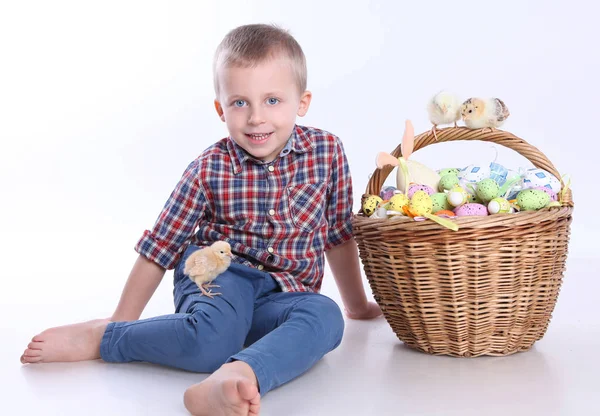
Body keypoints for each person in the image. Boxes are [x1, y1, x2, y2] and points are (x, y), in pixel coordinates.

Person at [20, 23, 382, 416]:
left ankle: (236, 375)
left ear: (302, 101)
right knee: (212, 339)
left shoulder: (326, 152)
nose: (256, 118)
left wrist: (357, 304)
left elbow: (338, 235)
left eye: (273, 100)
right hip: (221, 280)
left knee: (325, 317)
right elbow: (160, 246)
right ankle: (105, 338)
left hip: (285, 296)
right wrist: (122, 319)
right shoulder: (210, 167)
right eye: (240, 102)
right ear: (220, 108)